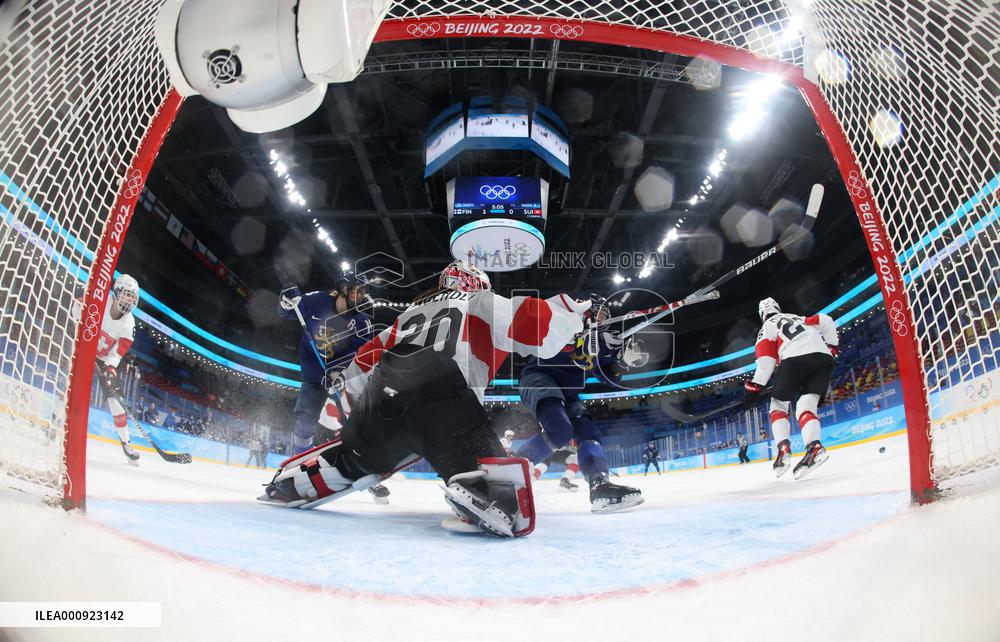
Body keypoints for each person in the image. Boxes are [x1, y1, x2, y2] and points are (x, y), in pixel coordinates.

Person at [261, 260, 592, 537]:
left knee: (362, 453)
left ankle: (324, 470)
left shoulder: (408, 315)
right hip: (443, 401)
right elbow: (528, 320)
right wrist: (570, 314)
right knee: (492, 481)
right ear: (476, 284)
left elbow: (363, 361)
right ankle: (481, 489)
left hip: (382, 400)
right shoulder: (479, 302)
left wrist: (336, 414)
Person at [514, 295, 645, 512]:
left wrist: (622, 361)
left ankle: (600, 485)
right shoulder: (561, 321)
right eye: (598, 313)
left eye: (605, 315)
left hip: (569, 393)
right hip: (539, 378)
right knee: (560, 429)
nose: (602, 319)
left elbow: (609, 377)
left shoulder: (601, 341)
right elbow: (555, 346)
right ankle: (511, 472)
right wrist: (587, 339)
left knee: (587, 431)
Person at [279, 275, 388, 502]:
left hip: (342, 379)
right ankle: (296, 469)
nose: (360, 296)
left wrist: (340, 372)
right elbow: (287, 312)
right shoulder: (317, 301)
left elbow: (359, 355)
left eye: (363, 292)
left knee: (357, 424)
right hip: (313, 378)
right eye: (356, 290)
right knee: (304, 422)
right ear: (342, 289)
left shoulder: (362, 322)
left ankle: (368, 471)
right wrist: (285, 302)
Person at [743, 297, 839, 479]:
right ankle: (815, 448)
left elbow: (766, 363)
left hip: (794, 359)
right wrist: (832, 347)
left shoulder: (767, 327)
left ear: (762, 315)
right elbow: (825, 320)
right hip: (823, 358)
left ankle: (783, 450)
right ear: (778, 308)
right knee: (806, 405)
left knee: (778, 405)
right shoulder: (797, 318)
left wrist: (753, 388)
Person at [77, 274, 141, 463]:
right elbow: (77, 304)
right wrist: (78, 330)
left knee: (116, 401)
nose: (130, 300)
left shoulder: (129, 323)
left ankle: (126, 443)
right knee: (72, 386)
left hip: (104, 360)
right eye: (127, 294)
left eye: (133, 297)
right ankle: (57, 419)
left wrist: (110, 369)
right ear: (117, 292)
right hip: (83, 347)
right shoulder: (100, 300)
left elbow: (117, 352)